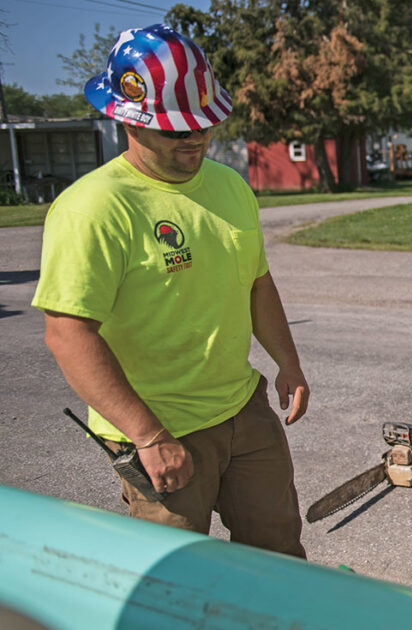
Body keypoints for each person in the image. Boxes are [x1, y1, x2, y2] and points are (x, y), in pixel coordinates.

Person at [33, 24, 310, 557]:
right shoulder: (93, 208)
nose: (196, 139)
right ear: (126, 119)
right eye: (176, 130)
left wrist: (288, 364)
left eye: (203, 125)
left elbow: (256, 281)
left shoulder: (229, 185)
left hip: (241, 408)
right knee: (175, 583)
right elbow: (68, 335)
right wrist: (148, 435)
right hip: (160, 430)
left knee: (279, 557)